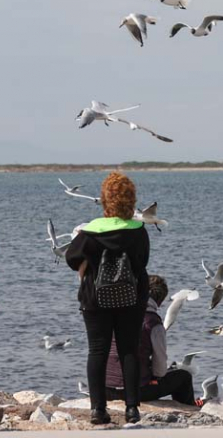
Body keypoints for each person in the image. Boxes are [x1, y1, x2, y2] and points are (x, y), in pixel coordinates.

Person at [66, 172, 151, 426]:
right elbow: (142, 262)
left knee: (98, 350)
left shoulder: (90, 232)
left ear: (104, 200)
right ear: (130, 200)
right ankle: (132, 409)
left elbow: (71, 259)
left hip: (95, 298)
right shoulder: (139, 231)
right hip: (131, 296)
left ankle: (98, 410)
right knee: (129, 349)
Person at [105, 275, 196, 406]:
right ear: (159, 301)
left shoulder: (115, 313)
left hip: (105, 389)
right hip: (134, 391)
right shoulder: (152, 322)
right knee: (183, 377)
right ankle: (189, 408)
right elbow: (159, 370)